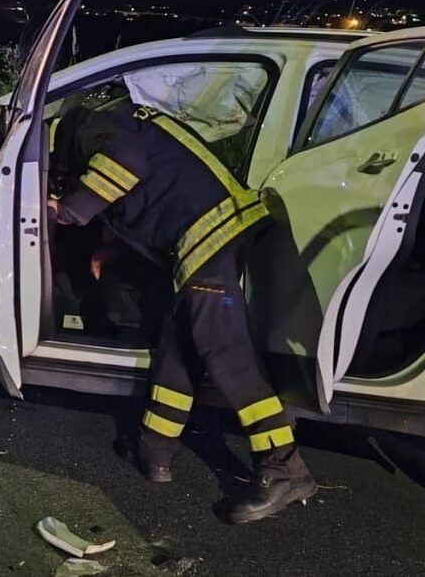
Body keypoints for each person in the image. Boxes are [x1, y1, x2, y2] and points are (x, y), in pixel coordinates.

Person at [47, 102, 317, 523]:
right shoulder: (124, 121)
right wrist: (108, 249)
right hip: (215, 238)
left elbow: (125, 165)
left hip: (210, 242)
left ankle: (285, 468)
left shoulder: (89, 131)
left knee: (225, 355)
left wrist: (66, 210)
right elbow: (153, 190)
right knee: (177, 348)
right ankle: (154, 450)